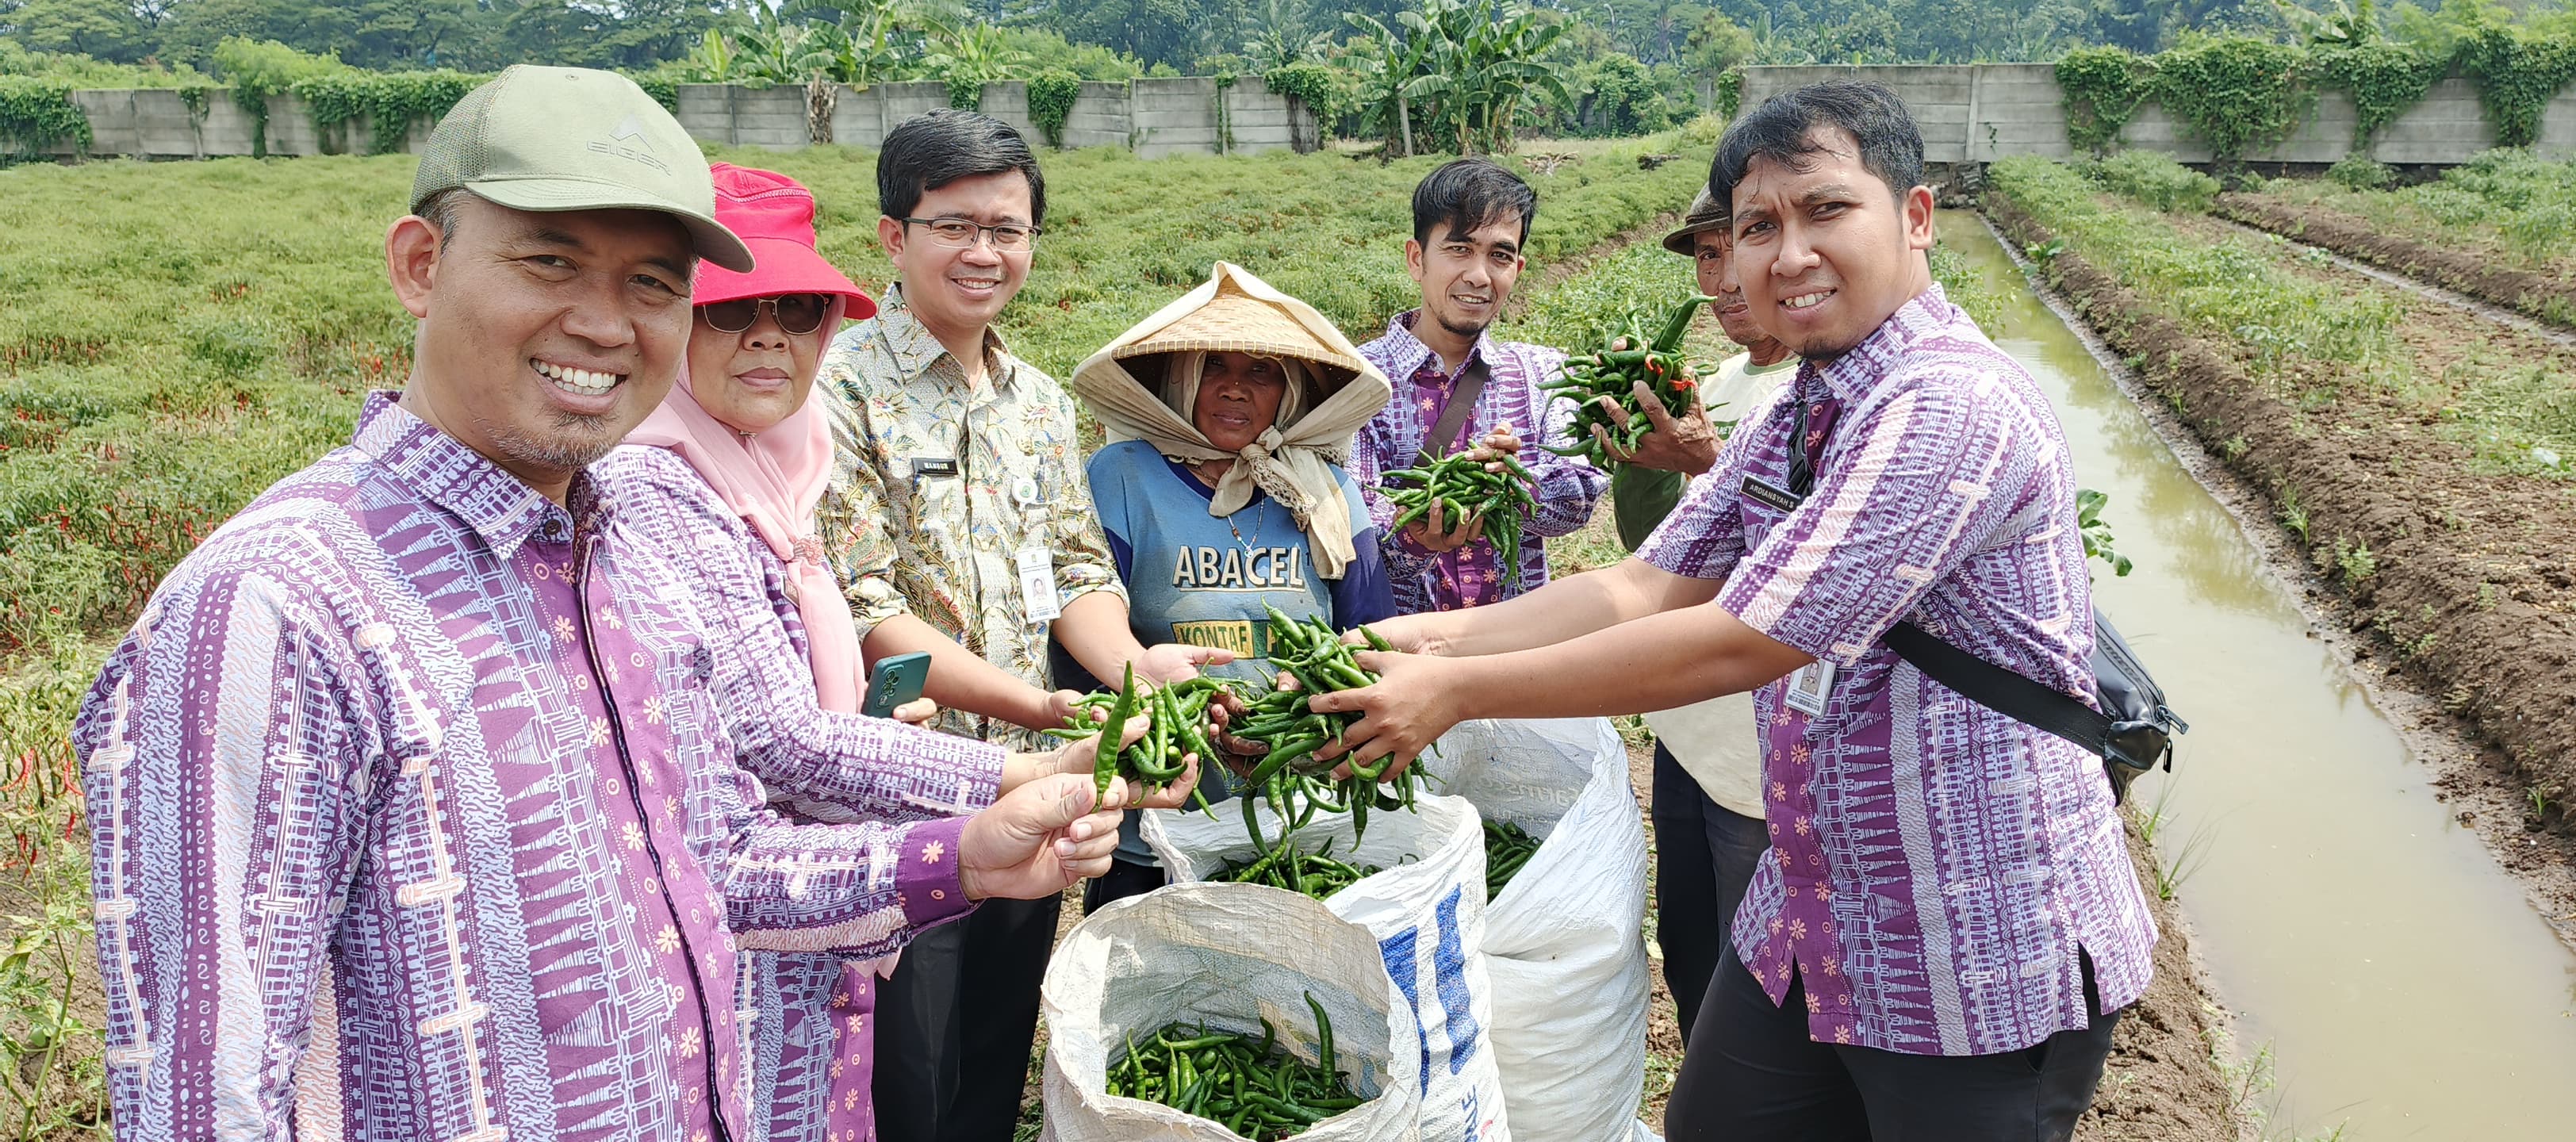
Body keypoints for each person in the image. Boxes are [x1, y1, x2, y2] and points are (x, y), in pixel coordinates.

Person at [72, 68, 1154, 1142]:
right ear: (420, 264)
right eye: (551, 261)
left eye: (651, 282)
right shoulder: (273, 609)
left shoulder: (635, 549)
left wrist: (964, 849)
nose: (604, 324)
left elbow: (718, 866)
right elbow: (203, 1101)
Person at [1305, 82, 2156, 1140]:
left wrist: (1454, 689)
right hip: (1815, 924)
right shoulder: (1804, 405)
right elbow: (1642, 584)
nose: (1786, 253)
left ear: (1916, 216)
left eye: (1825, 210)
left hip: (1972, 943)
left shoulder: (1949, 404)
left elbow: (1748, 637)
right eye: (1759, 226)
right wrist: (1418, 637)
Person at [811, 109, 1223, 1142]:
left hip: (1040, 779)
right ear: (892, 237)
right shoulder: (836, 390)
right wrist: (1037, 701)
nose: (985, 251)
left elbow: (1072, 571)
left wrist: (1132, 671)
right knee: (909, 1067)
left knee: (997, 1045)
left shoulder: (1036, 402)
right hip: (909, 790)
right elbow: (865, 603)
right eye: (955, 225)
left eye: (1010, 228)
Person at [1063, 261, 1397, 910]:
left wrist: (1302, 722)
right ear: (1181, 379)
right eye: (1215, 367)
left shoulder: (1324, 490)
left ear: (1290, 391)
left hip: (1300, 809)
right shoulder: (1123, 476)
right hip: (1155, 810)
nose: (1236, 389)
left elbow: (1370, 638)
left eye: (1261, 373)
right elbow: (1080, 636)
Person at [1612, 187, 1805, 1041]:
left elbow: (1813, 569)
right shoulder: (1718, 385)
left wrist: (1708, 463)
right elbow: (1658, 553)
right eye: (1704, 254)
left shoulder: (1822, 392)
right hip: (1690, 740)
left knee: (1756, 988)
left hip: (1765, 766)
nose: (1724, 277)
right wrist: (1641, 459)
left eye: (1740, 245)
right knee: (1690, 955)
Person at [1350, 157, 1607, 615]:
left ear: (1518, 269)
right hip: (1400, 653)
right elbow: (1354, 536)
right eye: (1459, 249)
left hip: (1513, 650)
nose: (1479, 275)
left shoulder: (1545, 374)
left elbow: (1581, 494)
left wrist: (1517, 484)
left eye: (1500, 256)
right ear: (1417, 258)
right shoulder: (1356, 381)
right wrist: (1415, 535)